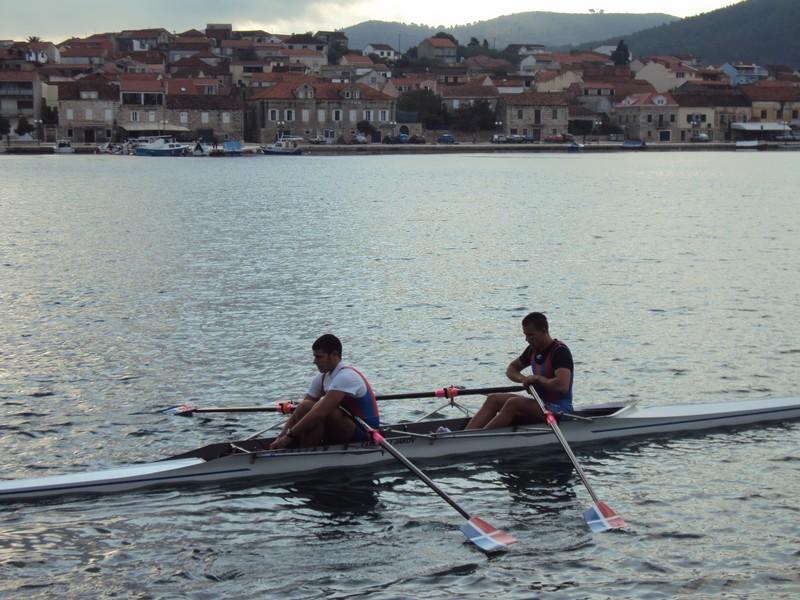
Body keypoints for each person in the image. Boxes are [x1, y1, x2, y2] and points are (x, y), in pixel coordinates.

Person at [465, 312, 573, 430]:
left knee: (514, 403)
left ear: (543, 331)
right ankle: (465, 435)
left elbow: (562, 386)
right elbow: (511, 369)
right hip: (541, 404)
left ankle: (480, 438)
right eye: (525, 335)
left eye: (530, 335)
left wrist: (537, 379)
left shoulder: (560, 351)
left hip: (560, 410)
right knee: (493, 399)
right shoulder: (532, 350)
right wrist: (523, 379)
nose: (527, 339)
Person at [270, 334, 379, 449]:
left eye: (319, 357)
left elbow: (320, 413)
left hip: (366, 431)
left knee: (320, 408)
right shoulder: (322, 377)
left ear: (334, 355)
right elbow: (301, 410)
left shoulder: (346, 376)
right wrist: (281, 436)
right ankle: (300, 448)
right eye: (314, 357)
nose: (314, 362)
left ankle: (305, 452)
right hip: (344, 427)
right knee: (305, 406)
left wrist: (289, 435)